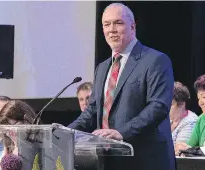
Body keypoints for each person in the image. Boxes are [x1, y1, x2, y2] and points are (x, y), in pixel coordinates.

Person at [67, 3, 175, 170]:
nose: (111, 29)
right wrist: (64, 133)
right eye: (106, 24)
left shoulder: (155, 60)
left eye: (118, 23)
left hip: (144, 160)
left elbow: (158, 107)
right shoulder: (102, 68)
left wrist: (121, 132)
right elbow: (93, 110)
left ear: (132, 27)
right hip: (108, 160)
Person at [0, 100, 39, 170]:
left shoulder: (41, 145)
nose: (9, 132)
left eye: (13, 125)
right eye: (6, 128)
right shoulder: (7, 146)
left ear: (26, 120)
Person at [170, 81, 198, 146]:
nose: (166, 108)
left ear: (181, 104)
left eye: (170, 105)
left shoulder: (190, 121)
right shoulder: (168, 119)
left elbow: (179, 150)